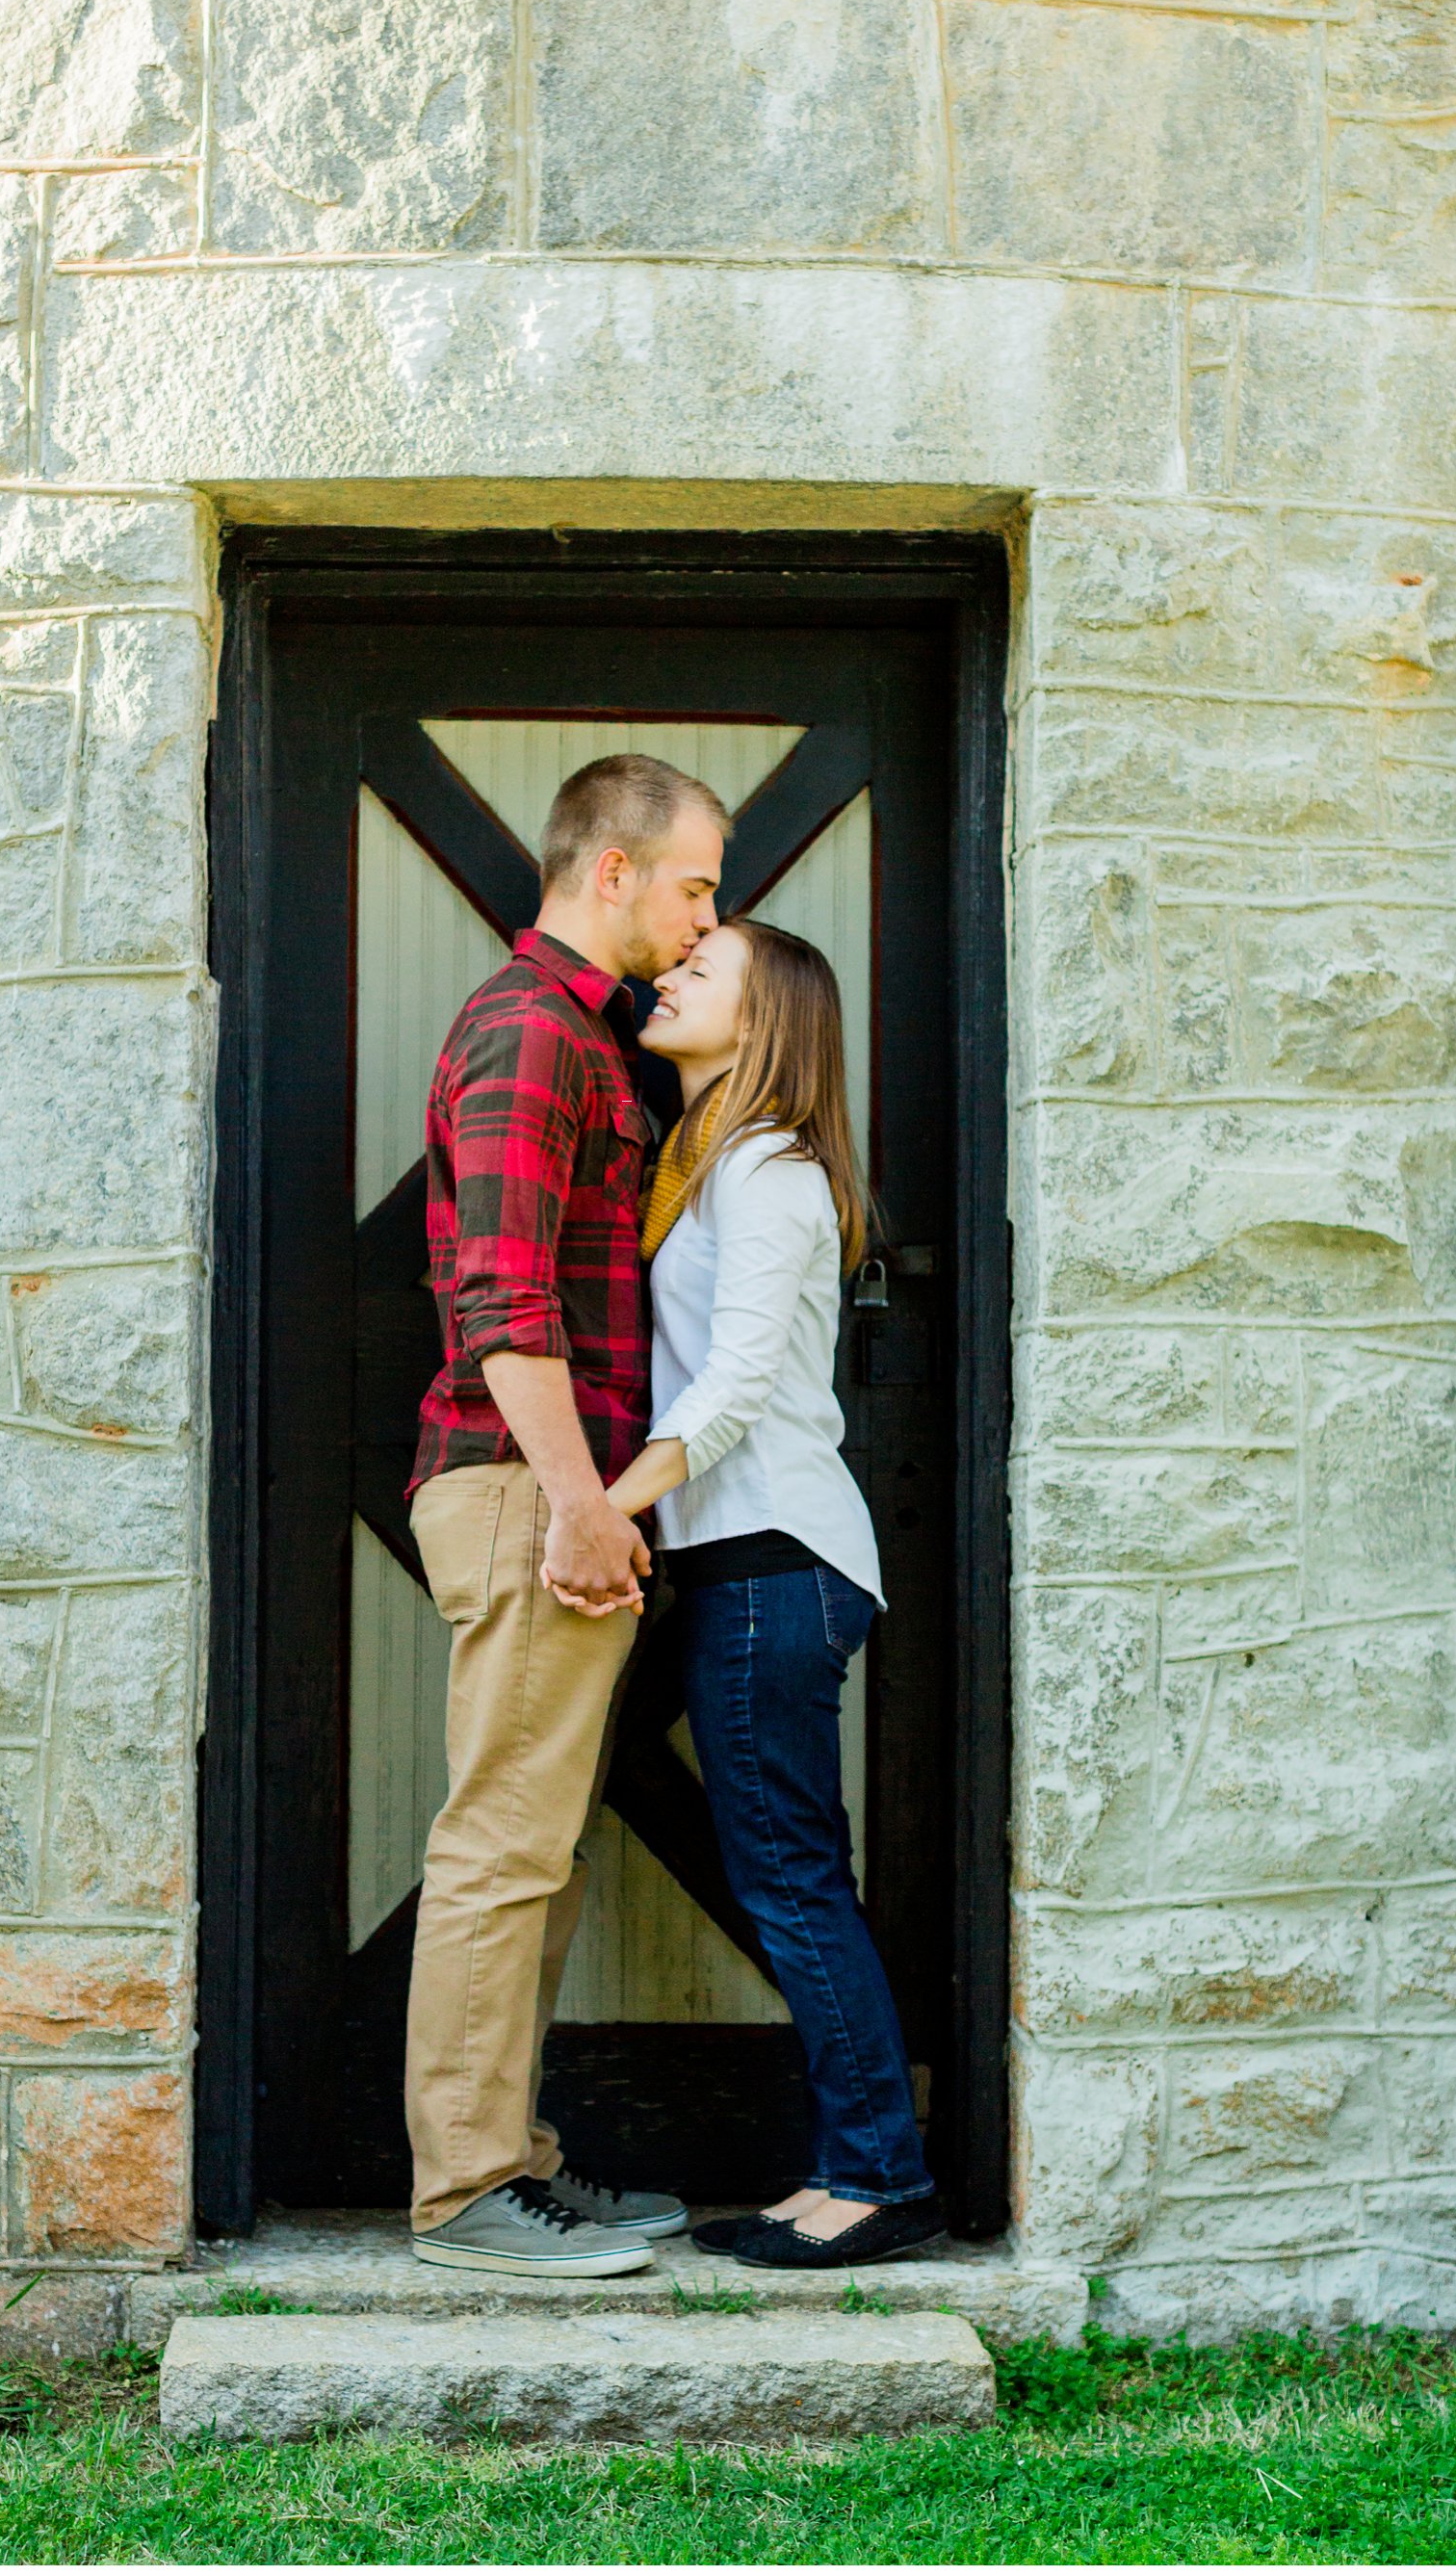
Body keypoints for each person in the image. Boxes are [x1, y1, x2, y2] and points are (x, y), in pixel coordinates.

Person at [569, 919, 947, 2268]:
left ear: (767, 1019)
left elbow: (729, 1390)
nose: (667, 975)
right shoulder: (713, 1160)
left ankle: (880, 2176)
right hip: (743, 1560)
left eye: (702, 967)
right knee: (787, 1869)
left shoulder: (773, 1166)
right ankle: (849, 2162)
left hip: (775, 1557)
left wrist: (601, 1506)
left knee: (789, 1877)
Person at [403, 753, 730, 2276]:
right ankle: (466, 2190)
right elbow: (502, 1301)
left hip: (552, 1487)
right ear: (612, 870)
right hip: (525, 1481)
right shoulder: (530, 1031)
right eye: (694, 884)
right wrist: (580, 1500)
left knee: (539, 1848)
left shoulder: (582, 1040)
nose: (705, 914)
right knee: (501, 1843)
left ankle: (511, 2161)